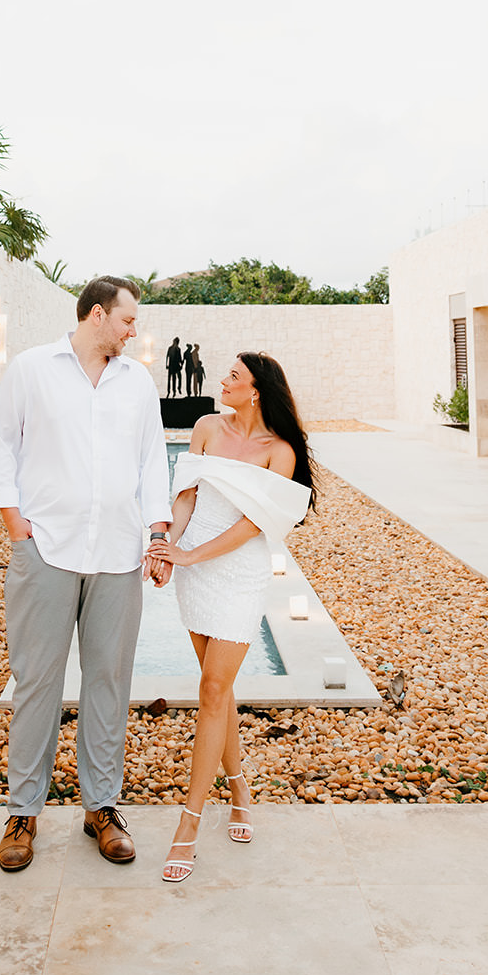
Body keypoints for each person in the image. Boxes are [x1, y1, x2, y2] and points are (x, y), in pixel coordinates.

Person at [0, 276, 171, 872]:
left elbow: (151, 461)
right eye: (127, 320)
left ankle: (101, 807)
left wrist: (158, 533)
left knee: (109, 685)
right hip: (46, 550)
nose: (133, 330)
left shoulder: (137, 382)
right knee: (37, 681)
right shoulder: (32, 369)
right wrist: (17, 524)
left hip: (119, 555)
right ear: (98, 316)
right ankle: (23, 813)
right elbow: (1, 443)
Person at [146, 351, 313, 882]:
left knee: (213, 691)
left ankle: (189, 824)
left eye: (233, 376)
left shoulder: (278, 451)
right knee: (217, 690)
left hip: (237, 574)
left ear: (257, 389)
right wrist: (169, 545)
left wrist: (194, 555)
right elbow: (187, 496)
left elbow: (252, 526)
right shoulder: (204, 427)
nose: (222, 381)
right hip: (194, 570)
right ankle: (239, 786)